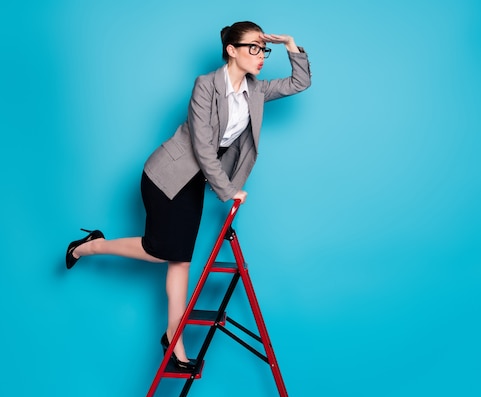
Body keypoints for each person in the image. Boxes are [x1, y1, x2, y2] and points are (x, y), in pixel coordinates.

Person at [65, 21, 311, 370]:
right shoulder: (205, 86)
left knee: (180, 259)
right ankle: (90, 245)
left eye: (263, 48)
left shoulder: (256, 91)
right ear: (231, 50)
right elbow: (203, 146)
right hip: (166, 176)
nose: (260, 56)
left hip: (194, 183)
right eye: (253, 47)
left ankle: (173, 339)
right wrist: (227, 190)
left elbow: (300, 82)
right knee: (160, 248)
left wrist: (289, 44)